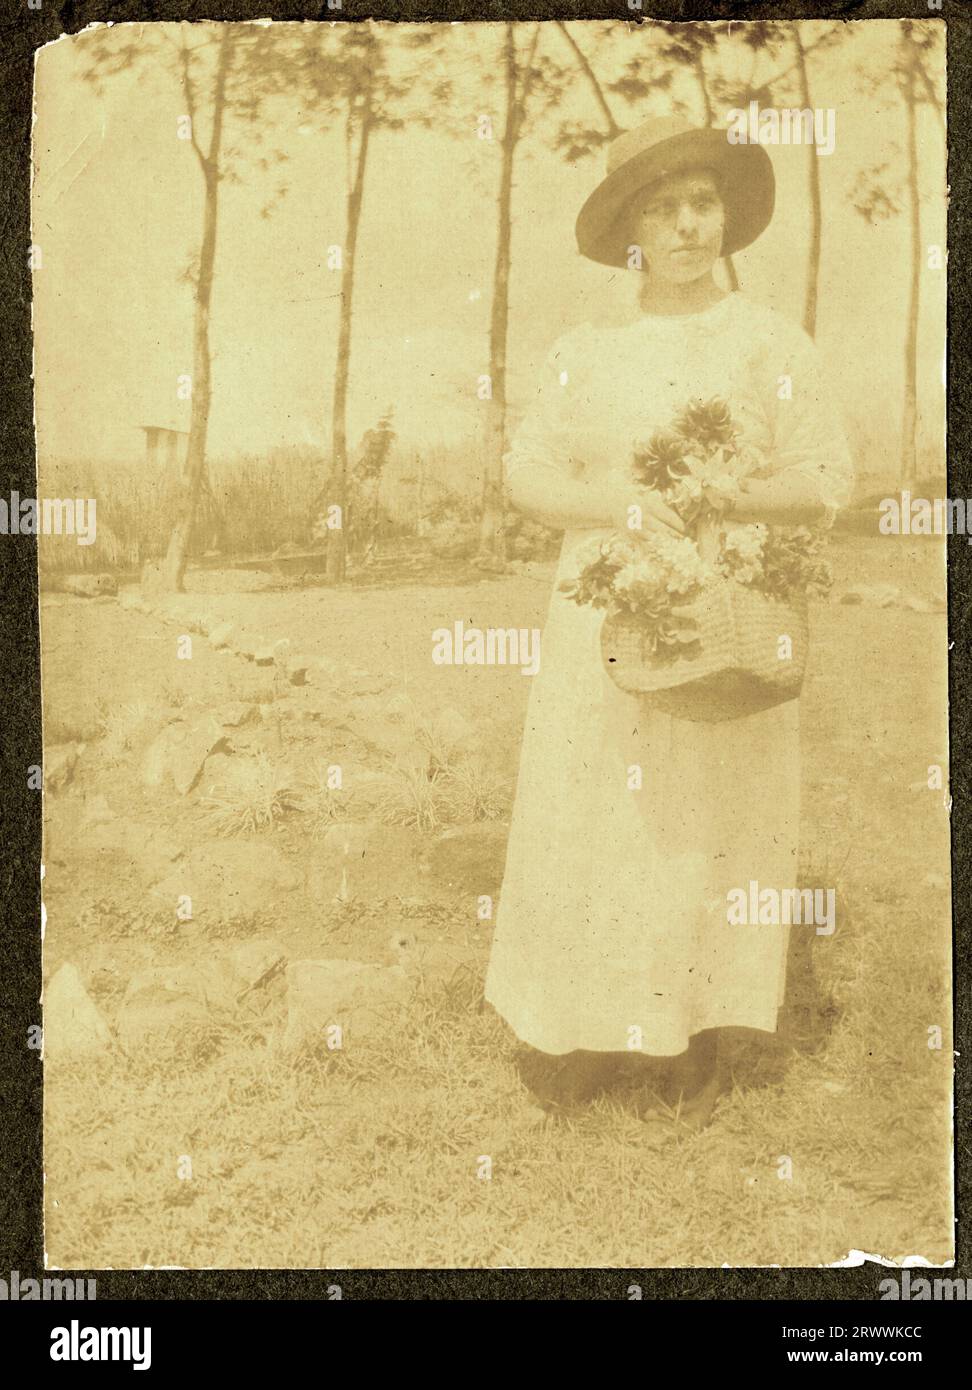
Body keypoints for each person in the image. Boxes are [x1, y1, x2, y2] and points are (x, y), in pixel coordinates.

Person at [483, 116, 854, 1129]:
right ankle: (582, 1031)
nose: (689, 225)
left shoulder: (772, 343)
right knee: (594, 809)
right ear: (629, 228)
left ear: (727, 216)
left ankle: (687, 1027)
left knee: (705, 816)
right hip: (605, 603)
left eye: (703, 203)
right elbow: (525, 470)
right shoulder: (586, 350)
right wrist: (616, 503)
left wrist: (733, 490)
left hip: (725, 607)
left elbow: (828, 478)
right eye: (664, 206)